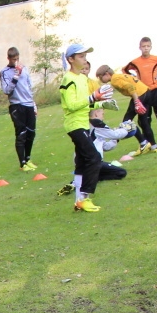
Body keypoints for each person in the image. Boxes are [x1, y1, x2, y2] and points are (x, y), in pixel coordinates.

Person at [60, 42, 111, 212]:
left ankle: (78, 202)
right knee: (94, 158)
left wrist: (102, 104)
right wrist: (92, 98)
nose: (84, 59)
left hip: (83, 124)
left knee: (82, 163)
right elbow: (72, 105)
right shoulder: (68, 79)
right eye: (81, 56)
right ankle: (84, 197)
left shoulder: (82, 79)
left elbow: (85, 105)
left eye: (85, 56)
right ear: (71, 59)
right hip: (74, 125)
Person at [57, 110, 134, 196]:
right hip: (93, 161)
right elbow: (115, 134)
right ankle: (80, 183)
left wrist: (115, 140)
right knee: (121, 173)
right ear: (96, 113)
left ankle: (77, 182)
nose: (103, 116)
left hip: (80, 160)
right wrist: (125, 130)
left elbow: (106, 146)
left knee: (95, 172)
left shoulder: (86, 125)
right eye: (102, 114)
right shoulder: (96, 123)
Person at [122, 37, 157, 146]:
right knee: (145, 119)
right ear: (140, 47)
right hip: (144, 93)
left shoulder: (156, 59)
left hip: (156, 91)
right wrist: (134, 78)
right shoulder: (135, 62)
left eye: (148, 46)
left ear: (151, 47)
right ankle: (149, 141)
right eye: (143, 46)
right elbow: (125, 70)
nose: (146, 48)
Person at [95, 65, 157, 153]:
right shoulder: (119, 76)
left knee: (127, 121)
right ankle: (153, 146)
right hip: (146, 92)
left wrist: (137, 102)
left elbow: (130, 87)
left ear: (107, 74)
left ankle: (143, 143)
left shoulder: (114, 80)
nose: (100, 80)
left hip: (139, 95)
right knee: (143, 122)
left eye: (100, 77)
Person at [0, 48, 38, 171]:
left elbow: (29, 86)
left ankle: (28, 158)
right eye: (13, 59)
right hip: (17, 105)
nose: (16, 61)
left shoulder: (24, 68)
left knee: (31, 132)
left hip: (28, 104)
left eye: (17, 58)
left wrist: (33, 103)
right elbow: (6, 90)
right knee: (21, 134)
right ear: (8, 59)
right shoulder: (5, 72)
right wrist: (16, 76)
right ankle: (22, 163)